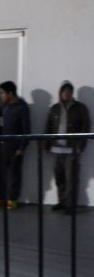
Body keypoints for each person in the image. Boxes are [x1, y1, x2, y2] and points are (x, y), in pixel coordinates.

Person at [44, 80, 90, 214]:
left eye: (69, 92)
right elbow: (48, 127)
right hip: (57, 149)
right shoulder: (55, 108)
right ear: (60, 92)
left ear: (72, 93)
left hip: (72, 149)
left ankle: (71, 205)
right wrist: (46, 144)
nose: (66, 94)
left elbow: (86, 127)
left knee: (71, 178)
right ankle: (62, 201)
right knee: (59, 177)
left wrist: (81, 146)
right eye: (64, 92)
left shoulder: (80, 108)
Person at [0, 81, 30, 210]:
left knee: (14, 174)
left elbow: (26, 130)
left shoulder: (22, 108)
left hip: (15, 147)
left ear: (10, 93)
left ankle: (12, 199)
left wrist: (21, 148)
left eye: (2, 93)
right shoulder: (3, 107)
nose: (0, 95)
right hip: (1, 145)